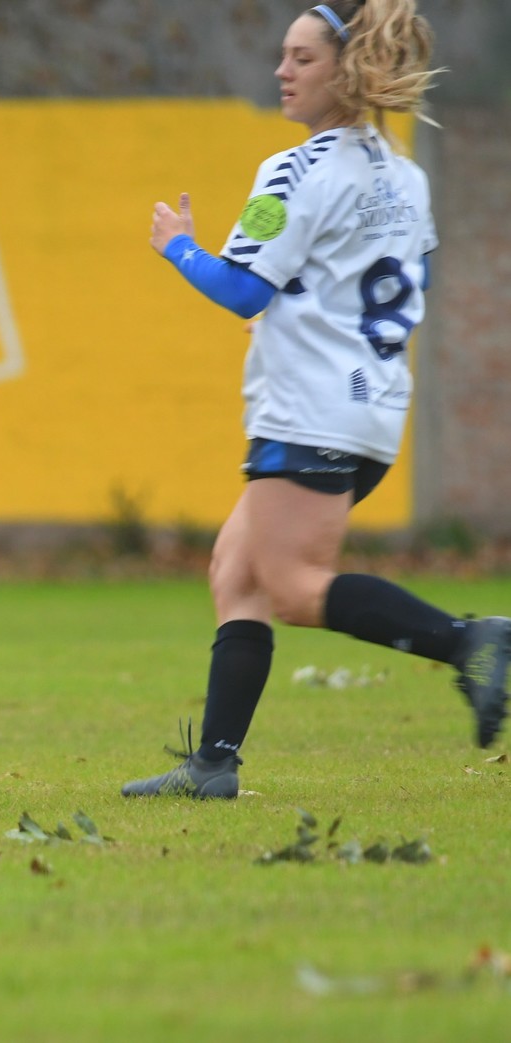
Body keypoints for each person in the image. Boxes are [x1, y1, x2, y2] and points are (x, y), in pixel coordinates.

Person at [121, 0, 510, 800]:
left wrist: (177, 246)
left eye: (301, 58)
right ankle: (213, 764)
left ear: (347, 69)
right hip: (371, 406)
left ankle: (470, 641)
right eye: (283, 55)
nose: (282, 71)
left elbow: (242, 289)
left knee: (294, 586)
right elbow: (399, 281)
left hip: (308, 408)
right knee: (236, 570)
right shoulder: (404, 174)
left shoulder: (295, 170)